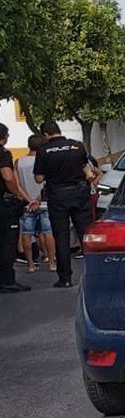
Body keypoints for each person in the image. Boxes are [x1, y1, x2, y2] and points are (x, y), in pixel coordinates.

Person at [33, 122, 95, 288]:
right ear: (58, 131)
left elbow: (38, 178)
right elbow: (85, 167)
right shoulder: (77, 146)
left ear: (46, 134)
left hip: (57, 196)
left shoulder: (43, 151)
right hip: (79, 194)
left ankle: (65, 278)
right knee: (86, 235)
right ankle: (95, 273)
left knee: (61, 237)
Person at [0, 123, 40, 293]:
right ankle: (7, 280)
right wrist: (19, 194)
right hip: (4, 205)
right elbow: (8, 177)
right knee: (7, 242)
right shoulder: (3, 154)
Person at [17, 135, 56, 273]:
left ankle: (31, 264)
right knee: (48, 232)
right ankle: (51, 262)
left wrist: (28, 199)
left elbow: (18, 184)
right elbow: (46, 182)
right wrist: (37, 198)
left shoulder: (19, 162)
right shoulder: (45, 161)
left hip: (27, 203)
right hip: (44, 201)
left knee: (27, 233)